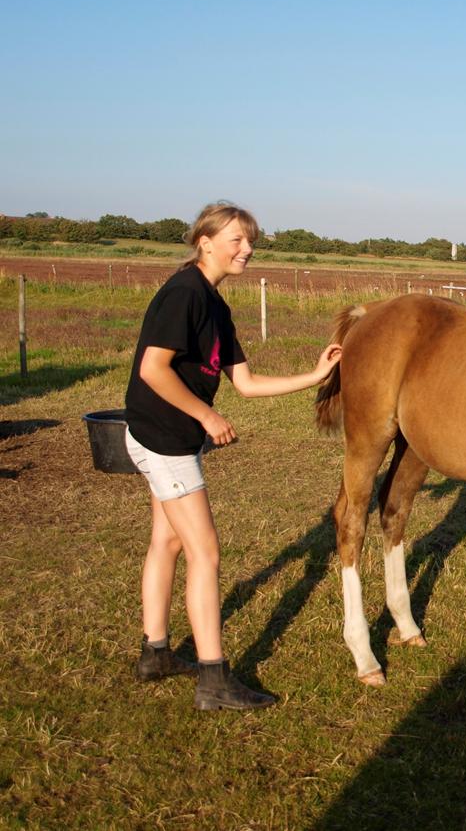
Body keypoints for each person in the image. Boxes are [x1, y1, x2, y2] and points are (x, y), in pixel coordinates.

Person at [123, 201, 341, 710]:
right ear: (206, 242)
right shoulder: (184, 294)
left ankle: (155, 653)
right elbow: (153, 370)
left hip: (168, 437)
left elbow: (243, 383)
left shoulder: (214, 304)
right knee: (207, 553)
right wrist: (205, 416)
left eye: (251, 241)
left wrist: (315, 375)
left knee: (168, 541)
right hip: (165, 440)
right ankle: (214, 680)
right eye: (238, 240)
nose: (248, 249)